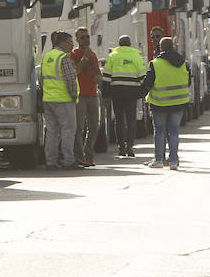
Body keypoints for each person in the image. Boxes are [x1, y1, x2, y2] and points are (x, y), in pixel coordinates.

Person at [140, 37, 190, 169]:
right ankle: (173, 161)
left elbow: (147, 83)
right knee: (174, 130)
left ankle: (159, 160)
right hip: (179, 102)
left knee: (160, 130)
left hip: (160, 103)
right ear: (173, 46)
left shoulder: (156, 63)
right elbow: (188, 81)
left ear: (161, 48)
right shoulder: (183, 63)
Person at [40, 31, 81, 170]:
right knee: (68, 130)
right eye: (70, 42)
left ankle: (50, 162)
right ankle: (69, 160)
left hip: (48, 99)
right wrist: (74, 94)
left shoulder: (47, 57)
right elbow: (70, 79)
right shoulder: (64, 57)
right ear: (62, 42)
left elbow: (41, 78)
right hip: (64, 99)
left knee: (52, 131)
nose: (72, 45)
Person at [102, 35, 146, 157]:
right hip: (132, 92)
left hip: (116, 92)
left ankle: (121, 147)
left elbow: (106, 78)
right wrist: (143, 93)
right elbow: (143, 77)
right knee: (131, 120)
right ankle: (130, 146)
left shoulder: (112, 56)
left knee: (119, 120)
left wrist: (105, 95)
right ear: (130, 44)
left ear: (119, 44)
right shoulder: (136, 57)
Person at [70, 27, 101, 167]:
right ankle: (79, 157)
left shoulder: (93, 55)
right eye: (82, 37)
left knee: (94, 126)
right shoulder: (74, 54)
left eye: (87, 36)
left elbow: (98, 71)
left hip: (93, 94)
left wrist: (98, 77)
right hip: (80, 95)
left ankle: (89, 155)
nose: (86, 39)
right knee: (78, 127)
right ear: (76, 39)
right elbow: (76, 71)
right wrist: (85, 57)